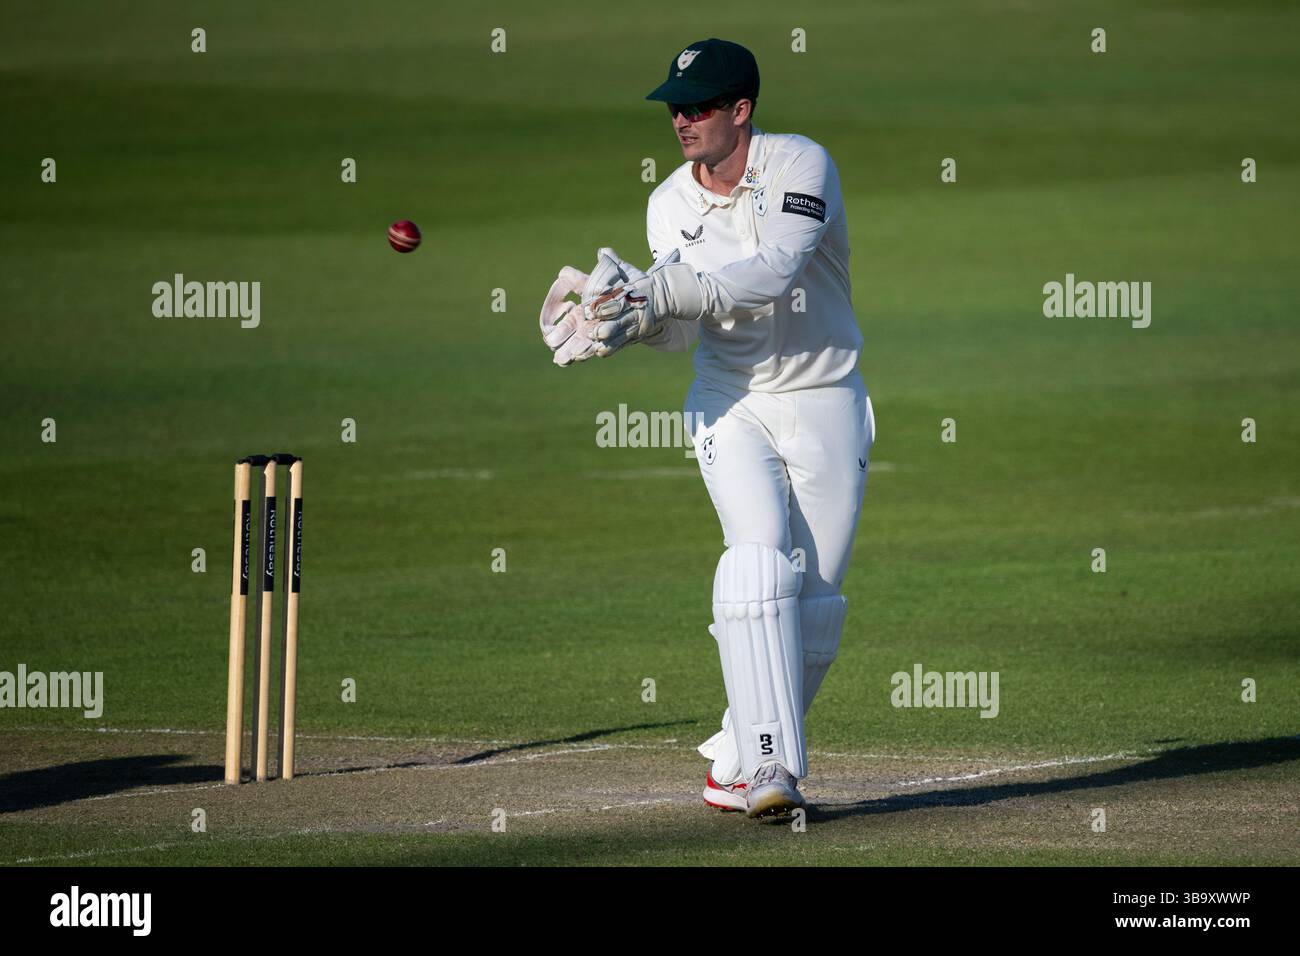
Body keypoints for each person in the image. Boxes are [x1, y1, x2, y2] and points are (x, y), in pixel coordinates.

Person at [539, 38, 875, 818]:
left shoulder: (800, 166)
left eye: (698, 107)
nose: (682, 120)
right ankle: (769, 771)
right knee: (758, 564)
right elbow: (685, 329)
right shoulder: (668, 204)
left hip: (826, 397)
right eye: (674, 108)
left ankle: (732, 756)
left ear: (741, 110)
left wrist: (666, 293)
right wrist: (629, 320)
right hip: (732, 401)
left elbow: (774, 273)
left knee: (814, 604)